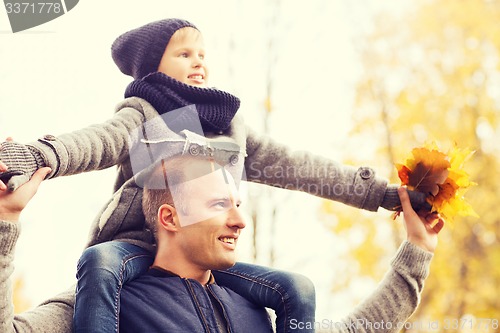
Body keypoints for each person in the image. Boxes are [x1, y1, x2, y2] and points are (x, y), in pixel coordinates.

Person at [0, 18, 429, 333]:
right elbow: (94, 143)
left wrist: (387, 198)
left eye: (202, 54)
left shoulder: (231, 127)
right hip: (132, 246)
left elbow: (302, 169)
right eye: (183, 54)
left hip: (206, 259)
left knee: (296, 286)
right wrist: (35, 159)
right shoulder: (145, 115)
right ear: (153, 68)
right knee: (99, 261)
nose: (198, 63)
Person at [0, 156, 441, 332]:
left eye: (238, 204)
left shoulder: (258, 310)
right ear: (169, 218)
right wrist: (7, 221)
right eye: (218, 205)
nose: (240, 220)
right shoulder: (109, 300)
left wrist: (417, 251)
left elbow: (358, 329)